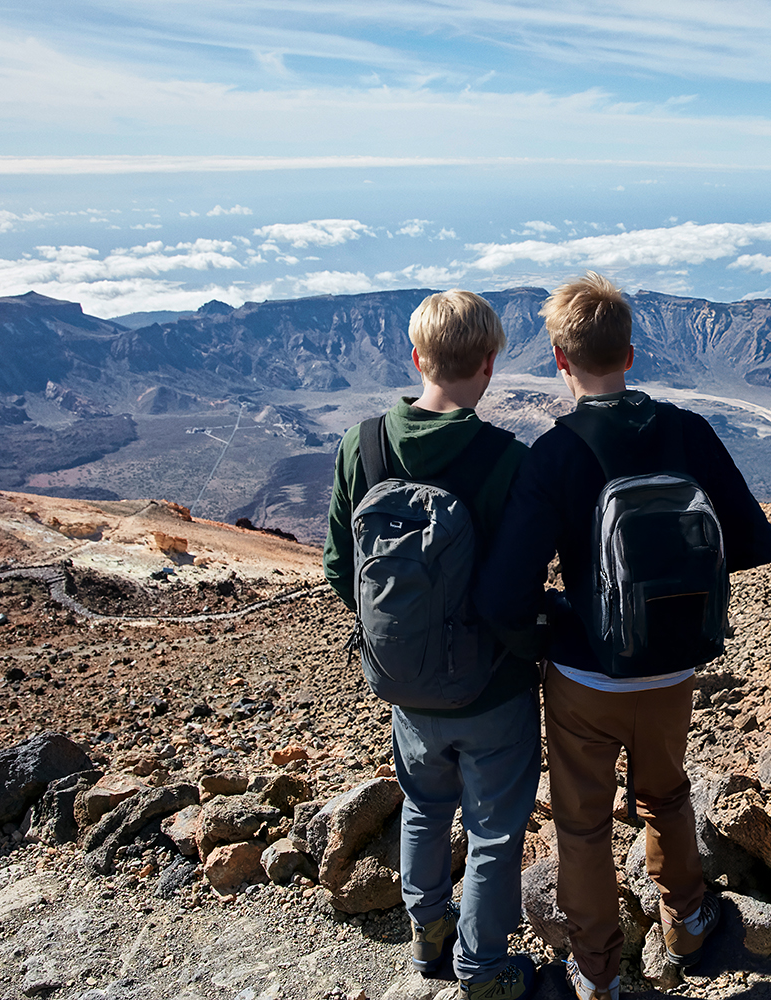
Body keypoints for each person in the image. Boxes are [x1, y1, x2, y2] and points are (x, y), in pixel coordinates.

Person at [477, 273, 771, 1000]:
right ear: (631, 353)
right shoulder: (688, 432)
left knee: (581, 826)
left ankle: (595, 970)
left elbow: (502, 593)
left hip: (585, 674)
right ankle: (689, 922)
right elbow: (755, 541)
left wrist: (556, 618)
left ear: (559, 359)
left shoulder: (555, 453)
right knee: (666, 797)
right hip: (672, 668)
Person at [322, 289, 541, 1000]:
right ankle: (481, 966)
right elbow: (518, 588)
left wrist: (396, 631)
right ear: (488, 365)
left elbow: (337, 570)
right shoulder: (506, 459)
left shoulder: (365, 445)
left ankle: (428, 937)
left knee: (423, 807)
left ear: (416, 358)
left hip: (405, 684)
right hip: (492, 687)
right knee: (495, 830)